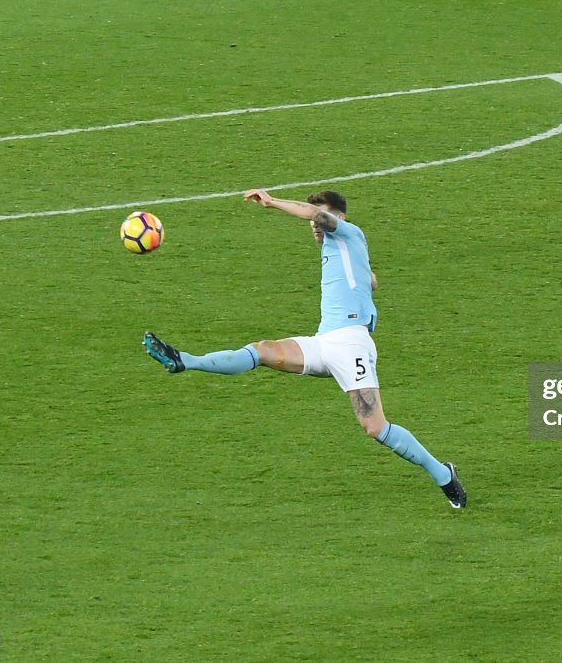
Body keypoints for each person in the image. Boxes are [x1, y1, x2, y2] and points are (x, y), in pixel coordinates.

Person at [143, 189, 467, 508]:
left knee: (375, 427)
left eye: (322, 215)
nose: (314, 223)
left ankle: (443, 474)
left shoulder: (349, 232)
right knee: (263, 350)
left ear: (338, 217)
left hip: (352, 344)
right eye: (315, 218)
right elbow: (371, 281)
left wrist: (271, 202)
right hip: (324, 342)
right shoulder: (340, 248)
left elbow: (315, 215)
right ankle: (185, 360)